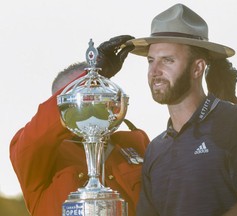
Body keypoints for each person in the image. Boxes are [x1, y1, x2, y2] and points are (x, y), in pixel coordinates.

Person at [118, 3, 237, 216]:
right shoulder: (155, 149)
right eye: (151, 61)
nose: (154, 71)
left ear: (197, 67)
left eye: (168, 60)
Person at [10, 36, 150, 216]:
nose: (88, 100)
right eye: (77, 94)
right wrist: (93, 74)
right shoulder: (38, 153)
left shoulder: (134, 142)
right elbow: (37, 136)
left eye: (95, 90)